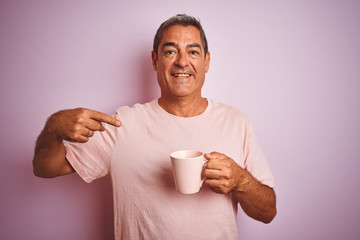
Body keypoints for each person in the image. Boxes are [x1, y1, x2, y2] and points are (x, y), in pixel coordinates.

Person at [33, 14, 277, 239]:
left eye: (193, 52)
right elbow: (45, 168)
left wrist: (241, 181)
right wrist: (53, 128)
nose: (182, 62)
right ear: (155, 60)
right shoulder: (122, 125)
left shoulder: (236, 121)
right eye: (170, 51)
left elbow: (268, 212)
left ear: (207, 62)